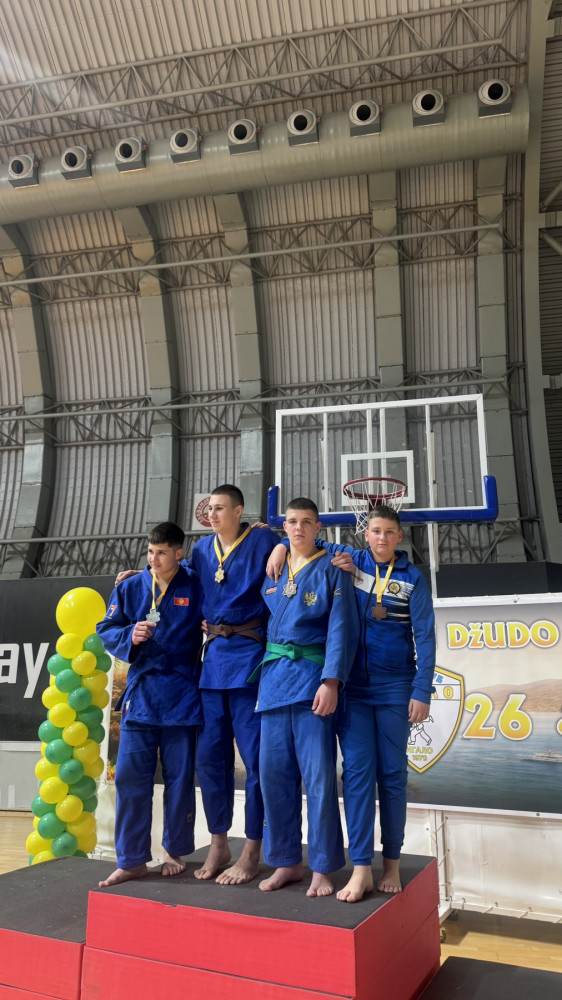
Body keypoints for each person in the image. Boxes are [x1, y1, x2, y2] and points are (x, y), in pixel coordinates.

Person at [267, 505, 435, 901]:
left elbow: (425, 637)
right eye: (375, 531)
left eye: (389, 532)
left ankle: (390, 862)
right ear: (366, 534)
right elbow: (306, 539)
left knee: (391, 776)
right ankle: (361, 867)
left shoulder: (413, 579)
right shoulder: (351, 560)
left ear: (399, 537)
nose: (381, 538)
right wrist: (277, 546)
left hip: (396, 687)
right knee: (357, 775)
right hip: (353, 688)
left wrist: (421, 691)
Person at [256, 497, 359, 898]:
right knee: (273, 777)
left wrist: (331, 681)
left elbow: (341, 628)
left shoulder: (334, 568)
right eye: (292, 522)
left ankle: (322, 867)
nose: (298, 528)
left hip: (312, 681)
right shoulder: (274, 568)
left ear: (318, 528)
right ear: (284, 526)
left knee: (318, 780)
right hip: (273, 683)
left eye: (306, 522)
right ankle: (286, 861)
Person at [96, 521, 202, 887]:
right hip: (141, 691)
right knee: (130, 778)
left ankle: (174, 850)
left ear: (178, 553)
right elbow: (106, 629)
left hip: (182, 690)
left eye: (161, 553)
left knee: (179, 778)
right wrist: (130, 633)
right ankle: (131, 859)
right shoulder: (129, 587)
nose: (153, 560)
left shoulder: (195, 583)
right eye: (150, 552)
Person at [188, 485, 282, 885]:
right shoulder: (200, 550)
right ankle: (218, 842)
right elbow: (176, 578)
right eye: (209, 509)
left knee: (256, 761)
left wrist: (280, 543)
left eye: (220, 508)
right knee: (210, 759)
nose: (212, 515)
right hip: (212, 664)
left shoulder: (261, 540)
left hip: (249, 659)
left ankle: (252, 849)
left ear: (239, 511)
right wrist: (138, 577)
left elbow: (302, 548)